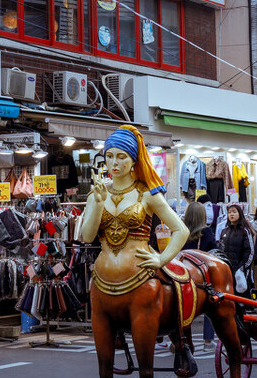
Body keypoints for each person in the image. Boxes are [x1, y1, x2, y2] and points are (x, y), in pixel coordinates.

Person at [78, 124, 188, 298]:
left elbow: (181, 230)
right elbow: (88, 237)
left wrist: (161, 259)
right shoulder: (96, 194)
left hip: (141, 276)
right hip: (102, 279)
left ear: (133, 161)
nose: (114, 162)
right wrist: (99, 204)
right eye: (109, 156)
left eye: (122, 157)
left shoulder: (147, 194)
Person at [216, 204, 254, 291]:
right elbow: (221, 249)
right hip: (226, 269)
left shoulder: (245, 231)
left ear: (239, 214)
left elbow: (250, 251)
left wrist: (242, 268)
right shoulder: (224, 231)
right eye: (229, 212)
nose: (231, 214)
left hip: (240, 271)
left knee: (242, 296)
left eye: (234, 212)